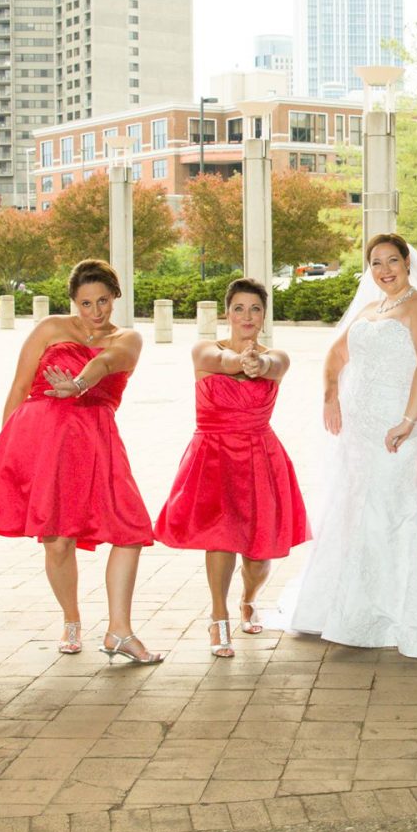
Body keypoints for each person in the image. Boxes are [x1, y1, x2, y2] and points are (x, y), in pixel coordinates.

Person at [276, 234, 417, 659]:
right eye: (375, 263)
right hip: (358, 431)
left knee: (394, 505)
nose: (384, 270)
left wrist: (408, 420)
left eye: (392, 260)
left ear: (408, 263)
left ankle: (403, 610)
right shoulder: (369, 310)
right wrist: (330, 395)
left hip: (399, 426)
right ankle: (347, 608)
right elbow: (335, 357)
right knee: (356, 506)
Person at [0, 259, 163, 665]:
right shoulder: (50, 329)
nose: (95, 311)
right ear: (73, 301)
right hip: (42, 439)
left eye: (104, 301)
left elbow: (106, 363)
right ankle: (71, 620)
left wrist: (77, 385)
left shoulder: (128, 338)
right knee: (58, 541)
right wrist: (10, 450)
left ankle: (119, 631)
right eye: (86, 302)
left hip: (95, 441)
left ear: (116, 298)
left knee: (130, 531)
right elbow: (20, 387)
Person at [153, 278, 308, 657]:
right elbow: (221, 362)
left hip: (259, 456)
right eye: (239, 308)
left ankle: (249, 598)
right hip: (214, 455)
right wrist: (241, 361)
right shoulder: (204, 351)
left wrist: (259, 363)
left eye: (255, 308)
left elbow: (271, 365)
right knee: (220, 536)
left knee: (259, 555)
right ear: (227, 313)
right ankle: (218, 616)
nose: (247, 315)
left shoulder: (280, 357)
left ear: (264, 314)